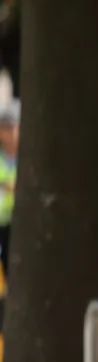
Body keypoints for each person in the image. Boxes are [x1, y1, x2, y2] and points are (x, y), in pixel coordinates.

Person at [0, 100, 19, 274]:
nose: (12, 133)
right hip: (3, 221)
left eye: (14, 127)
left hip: (20, 221)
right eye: (7, 128)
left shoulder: (29, 161)